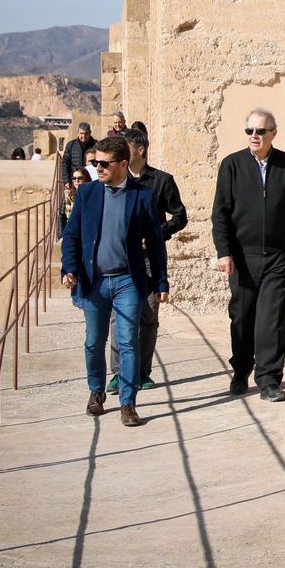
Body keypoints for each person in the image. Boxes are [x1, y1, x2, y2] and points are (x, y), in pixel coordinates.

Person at [60, 136, 169, 427]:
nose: (98, 168)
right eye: (95, 163)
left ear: (123, 164)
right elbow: (71, 236)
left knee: (128, 343)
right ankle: (96, 391)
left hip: (127, 282)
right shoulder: (88, 194)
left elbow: (157, 244)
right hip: (94, 282)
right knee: (93, 342)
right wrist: (69, 269)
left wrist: (161, 282)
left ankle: (128, 403)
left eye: (104, 163)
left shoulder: (142, 196)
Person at [211, 108, 285, 402]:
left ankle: (268, 380)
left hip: (278, 257)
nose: (254, 136)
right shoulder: (231, 166)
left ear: (273, 133)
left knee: (271, 320)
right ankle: (241, 369)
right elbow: (221, 214)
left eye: (260, 131)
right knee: (242, 317)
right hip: (242, 258)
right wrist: (224, 252)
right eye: (249, 131)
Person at [106, 127, 187, 393]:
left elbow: (180, 216)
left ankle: (142, 372)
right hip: (122, 259)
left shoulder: (162, 181)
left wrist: (156, 234)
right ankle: (118, 373)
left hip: (150, 258)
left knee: (148, 317)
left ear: (140, 149)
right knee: (119, 318)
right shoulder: (117, 181)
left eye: (125, 148)